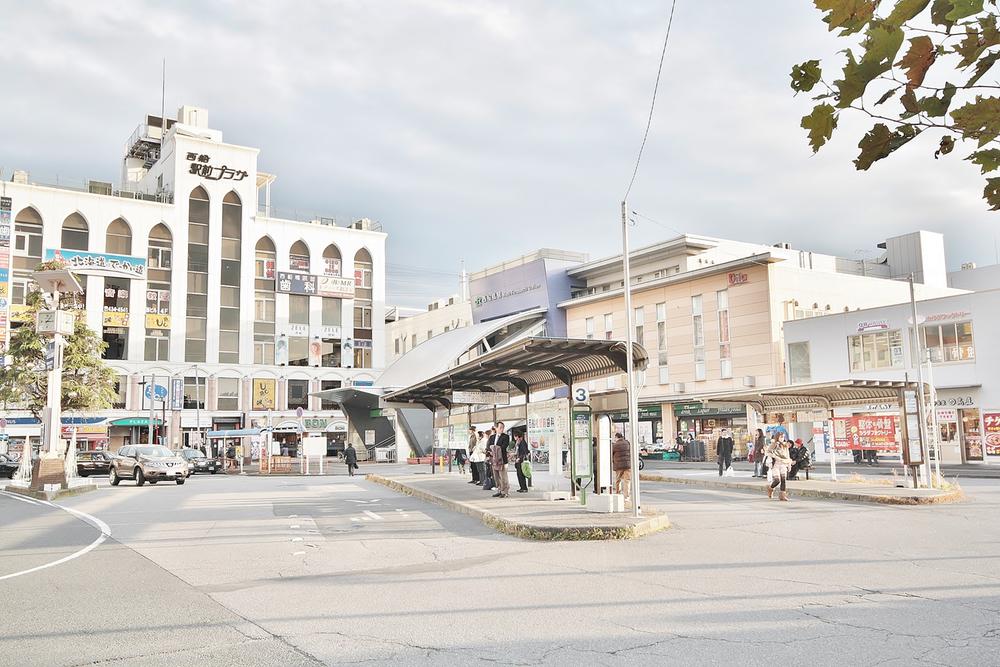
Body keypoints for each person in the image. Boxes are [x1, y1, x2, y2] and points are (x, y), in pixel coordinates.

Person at [765, 433, 793, 501]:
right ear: (777, 437)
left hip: (783, 463)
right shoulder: (774, 444)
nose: (782, 438)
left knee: (783, 480)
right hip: (776, 464)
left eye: (783, 437)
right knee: (777, 480)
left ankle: (782, 496)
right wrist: (774, 457)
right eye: (781, 437)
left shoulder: (785, 445)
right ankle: (770, 488)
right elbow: (768, 453)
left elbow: (787, 455)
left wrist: (789, 464)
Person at [489, 422, 510, 498]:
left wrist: (494, 449)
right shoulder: (492, 437)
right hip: (494, 460)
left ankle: (505, 492)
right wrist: (490, 451)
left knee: (503, 476)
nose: (502, 429)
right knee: (496, 476)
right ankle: (499, 490)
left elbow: (503, 447)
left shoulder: (506, 437)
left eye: (503, 427)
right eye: (500, 427)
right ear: (496, 428)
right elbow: (489, 447)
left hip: (502, 460)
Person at [612, 432, 631, 502]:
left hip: (618, 465)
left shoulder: (615, 445)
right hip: (628, 465)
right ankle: (627, 496)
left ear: (616, 437)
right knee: (627, 481)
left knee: (618, 480)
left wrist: (613, 461)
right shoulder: (627, 443)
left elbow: (611, 454)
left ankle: (618, 493)